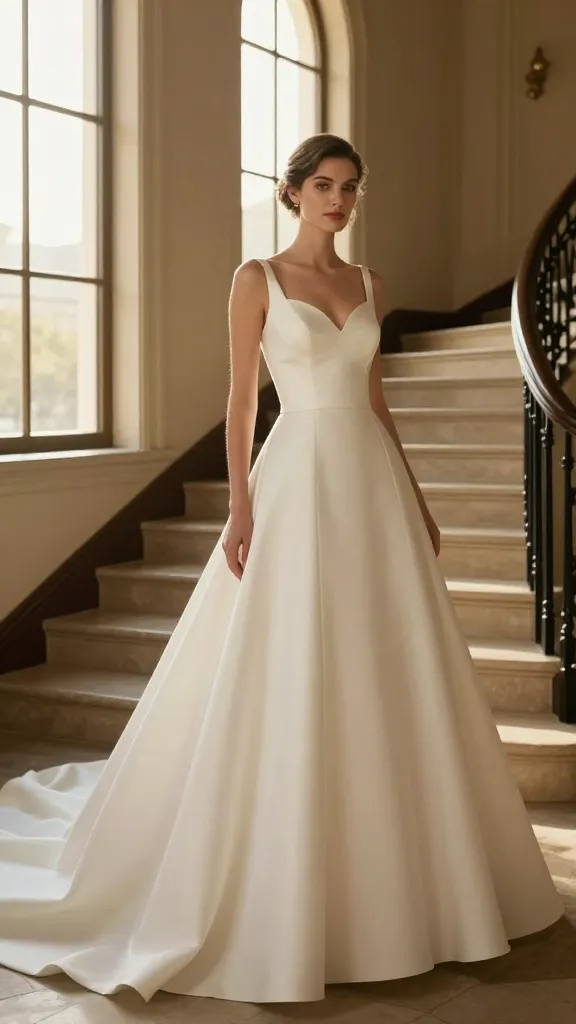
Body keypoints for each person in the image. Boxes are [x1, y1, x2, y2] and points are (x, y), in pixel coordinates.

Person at [0, 133, 564, 1006]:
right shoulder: (255, 277)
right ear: (293, 192)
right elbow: (237, 400)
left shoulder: (371, 284)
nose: (340, 201)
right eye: (325, 186)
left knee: (389, 664)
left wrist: (414, 500)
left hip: (368, 487)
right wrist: (240, 504)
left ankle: (412, 880)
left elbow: (375, 402)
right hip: (295, 477)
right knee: (291, 656)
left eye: (350, 188)